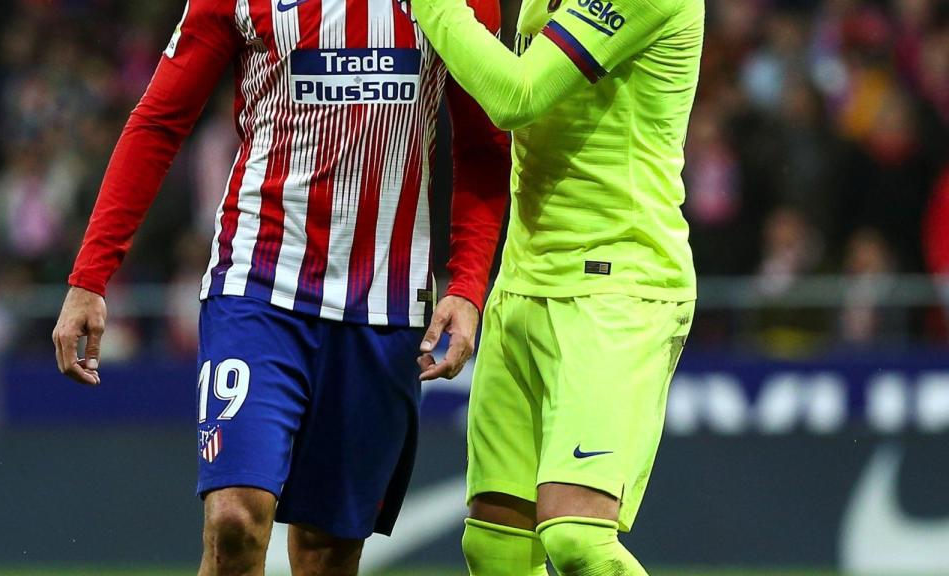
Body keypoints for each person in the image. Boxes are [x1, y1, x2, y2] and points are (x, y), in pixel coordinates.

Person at [50, 0, 509, 573]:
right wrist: (90, 277)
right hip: (258, 285)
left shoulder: (462, 2)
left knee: (328, 552)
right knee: (235, 522)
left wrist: (467, 286)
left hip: (383, 309)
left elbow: (483, 149)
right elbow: (159, 119)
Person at [407, 0, 704, 574]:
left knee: (577, 539)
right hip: (524, 282)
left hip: (616, 288)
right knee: (495, 550)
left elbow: (517, 95)